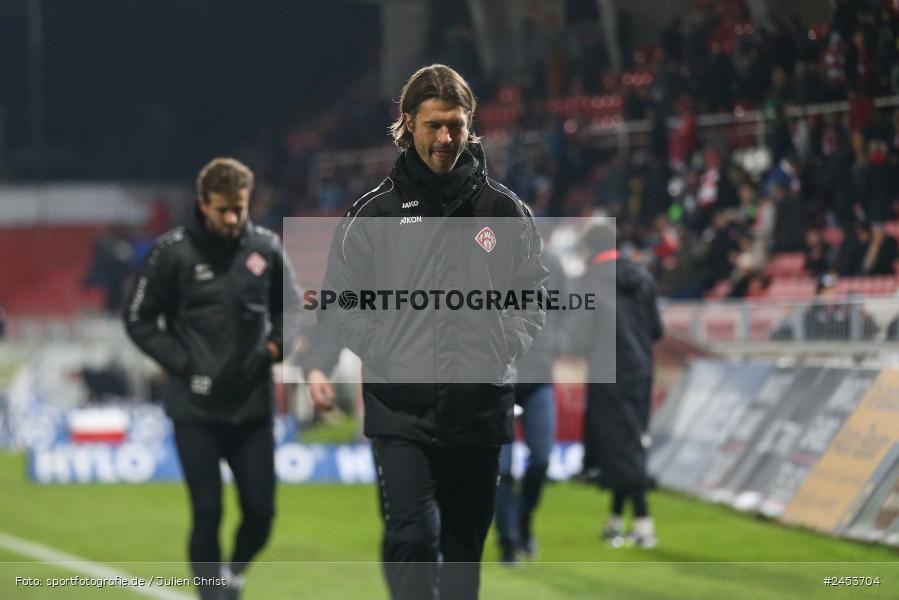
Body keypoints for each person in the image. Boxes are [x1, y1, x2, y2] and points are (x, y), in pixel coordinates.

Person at [308, 64, 548, 600]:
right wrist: (385, 349)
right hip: (402, 413)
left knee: (463, 559)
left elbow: (533, 294)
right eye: (433, 125)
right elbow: (339, 303)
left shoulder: (504, 210)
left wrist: (504, 343)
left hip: (479, 411)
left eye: (455, 126)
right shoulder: (373, 213)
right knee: (412, 540)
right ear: (408, 123)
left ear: (470, 124)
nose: (445, 138)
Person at [123, 157, 301, 600]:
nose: (233, 218)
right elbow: (138, 317)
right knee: (207, 511)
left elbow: (294, 310)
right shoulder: (171, 252)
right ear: (203, 204)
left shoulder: (265, 247)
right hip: (195, 409)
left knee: (261, 513)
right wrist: (181, 361)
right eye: (223, 209)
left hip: (252, 407)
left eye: (240, 208)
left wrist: (275, 347)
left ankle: (234, 572)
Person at [568, 221, 663, 549]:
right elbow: (656, 330)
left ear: (590, 250)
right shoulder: (643, 277)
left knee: (622, 447)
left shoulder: (590, 281)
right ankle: (615, 520)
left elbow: (579, 338)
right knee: (629, 439)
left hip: (608, 372)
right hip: (642, 370)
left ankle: (644, 526)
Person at [494, 249, 569, 566]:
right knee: (501, 469)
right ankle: (508, 541)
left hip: (538, 378)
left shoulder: (550, 263)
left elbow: (564, 309)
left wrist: (555, 343)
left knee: (541, 459)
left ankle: (523, 521)